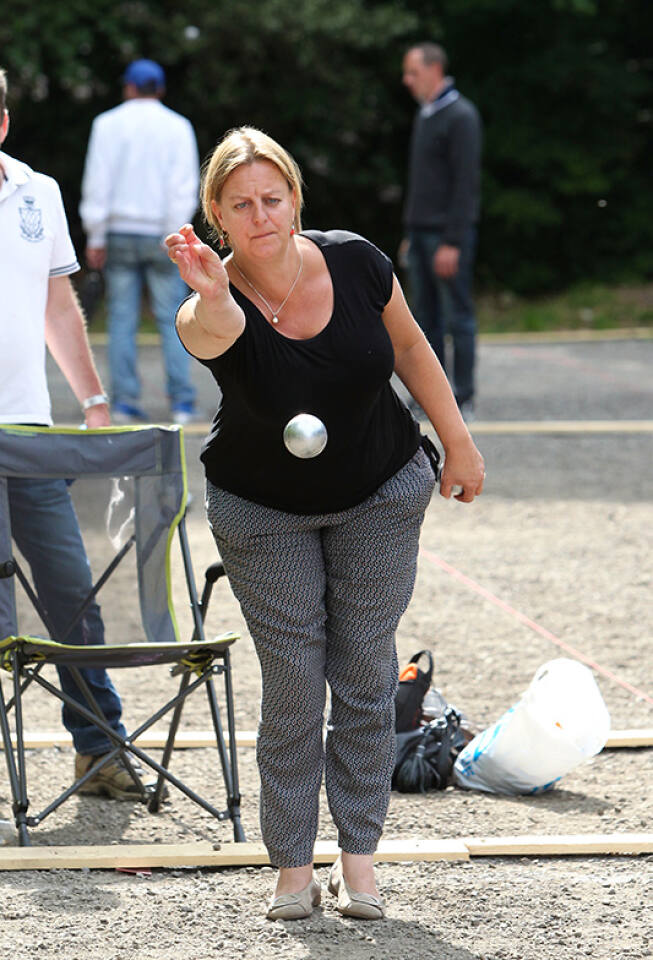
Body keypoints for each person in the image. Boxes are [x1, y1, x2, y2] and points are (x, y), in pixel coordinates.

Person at [165, 127, 484, 920]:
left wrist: (458, 442)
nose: (260, 215)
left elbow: (408, 344)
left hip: (379, 490)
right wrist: (211, 292)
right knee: (295, 685)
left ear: (294, 199)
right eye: (241, 204)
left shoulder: (355, 260)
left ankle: (359, 860)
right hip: (261, 510)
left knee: (366, 674)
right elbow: (209, 332)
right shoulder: (212, 298)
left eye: (272, 199)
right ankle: (290, 867)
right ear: (216, 215)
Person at [0, 67, 155, 801]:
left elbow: (57, 304)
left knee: (73, 596)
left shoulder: (39, 191)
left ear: (2, 123)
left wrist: (93, 398)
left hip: (31, 430)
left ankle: (99, 752)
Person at [80, 58, 200, 424]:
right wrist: (176, 233)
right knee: (173, 318)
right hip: (163, 233)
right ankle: (182, 403)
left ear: (129, 87)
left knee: (121, 318)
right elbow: (184, 184)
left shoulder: (106, 124)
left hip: (118, 231)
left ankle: (124, 402)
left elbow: (98, 180)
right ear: (160, 89)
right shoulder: (178, 126)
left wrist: (95, 234)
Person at [401, 43, 482, 421]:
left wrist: (453, 241)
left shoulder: (461, 116)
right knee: (424, 319)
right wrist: (410, 231)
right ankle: (432, 395)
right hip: (421, 233)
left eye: (413, 72)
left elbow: (466, 185)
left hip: (446, 236)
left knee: (457, 317)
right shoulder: (425, 114)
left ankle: (463, 395)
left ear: (435, 70)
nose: (407, 80)